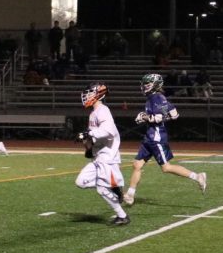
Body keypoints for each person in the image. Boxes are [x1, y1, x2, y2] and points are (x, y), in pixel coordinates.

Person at [123, 74, 207, 206]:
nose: (144, 86)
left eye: (147, 84)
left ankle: (197, 176)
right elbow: (174, 114)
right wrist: (151, 117)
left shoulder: (155, 97)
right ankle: (130, 194)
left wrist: (144, 117)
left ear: (155, 85)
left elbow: (157, 117)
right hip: (150, 137)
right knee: (137, 165)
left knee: (166, 167)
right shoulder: (159, 97)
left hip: (156, 138)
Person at [74, 82, 130, 226]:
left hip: (107, 156)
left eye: (90, 93)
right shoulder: (93, 113)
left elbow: (108, 131)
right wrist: (88, 146)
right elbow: (94, 136)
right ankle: (113, 187)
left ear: (98, 94)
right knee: (80, 182)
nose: (86, 96)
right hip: (98, 155)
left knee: (101, 189)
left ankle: (122, 216)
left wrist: (89, 133)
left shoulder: (103, 110)